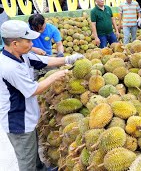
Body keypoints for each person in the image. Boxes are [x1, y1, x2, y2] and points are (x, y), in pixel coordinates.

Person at [0, 20, 83, 171]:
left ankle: (42, 169)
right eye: (28, 40)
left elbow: (44, 61)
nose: (32, 44)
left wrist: (67, 59)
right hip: (18, 121)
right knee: (27, 161)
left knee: (33, 151)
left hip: (28, 116)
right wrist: (58, 74)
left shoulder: (22, 55)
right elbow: (33, 90)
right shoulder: (9, 67)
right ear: (14, 43)